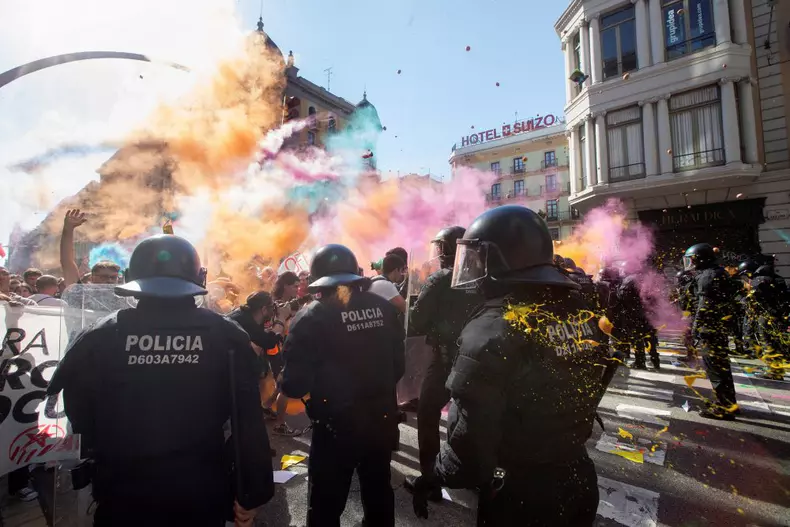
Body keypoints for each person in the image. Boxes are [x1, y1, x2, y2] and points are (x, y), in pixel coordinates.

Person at [47, 234, 273, 526]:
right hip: (200, 490)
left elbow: (80, 417)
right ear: (199, 278)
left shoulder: (99, 336)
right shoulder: (226, 335)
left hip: (123, 491)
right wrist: (251, 492)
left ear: (130, 278)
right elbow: (248, 421)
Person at [411, 205, 607, 526]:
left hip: (521, 491)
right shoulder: (579, 311)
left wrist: (434, 476)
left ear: (500, 259)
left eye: (477, 258)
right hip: (579, 474)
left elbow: (472, 441)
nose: (471, 269)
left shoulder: (492, 328)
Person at [281, 244, 405, 527]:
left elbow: (294, 385)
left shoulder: (311, 317)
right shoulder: (384, 309)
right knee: (378, 493)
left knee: (326, 503)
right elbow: (398, 366)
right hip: (381, 420)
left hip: (336, 429)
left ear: (318, 283)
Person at [404, 226, 481, 501]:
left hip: (447, 358)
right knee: (473, 415)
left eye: (440, 248)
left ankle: (431, 481)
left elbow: (417, 320)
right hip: (478, 358)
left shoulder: (440, 279)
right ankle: (476, 475)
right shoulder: (483, 277)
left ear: (448, 250)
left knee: (426, 413)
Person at [684, 243, 739, 420]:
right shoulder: (719, 272)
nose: (690, 263)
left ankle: (724, 408)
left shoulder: (707, 276)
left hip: (709, 329)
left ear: (700, 258)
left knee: (715, 369)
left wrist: (696, 330)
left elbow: (704, 307)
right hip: (718, 327)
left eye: (692, 259)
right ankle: (730, 404)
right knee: (722, 367)